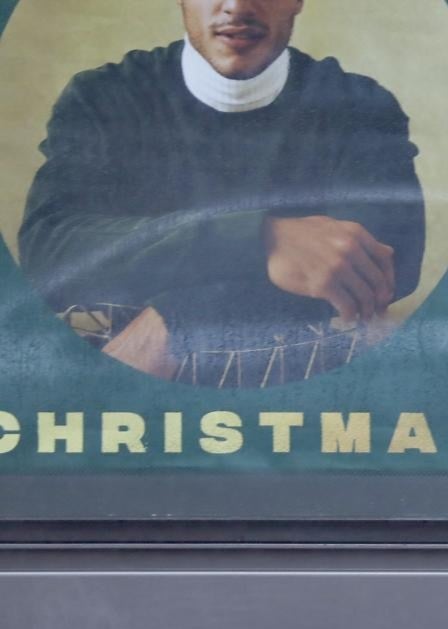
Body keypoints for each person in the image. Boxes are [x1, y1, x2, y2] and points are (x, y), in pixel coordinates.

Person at [18, 0, 424, 382]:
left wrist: (177, 321)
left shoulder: (360, 106)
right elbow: (51, 251)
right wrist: (259, 240)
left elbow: (379, 269)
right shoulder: (103, 95)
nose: (238, 6)